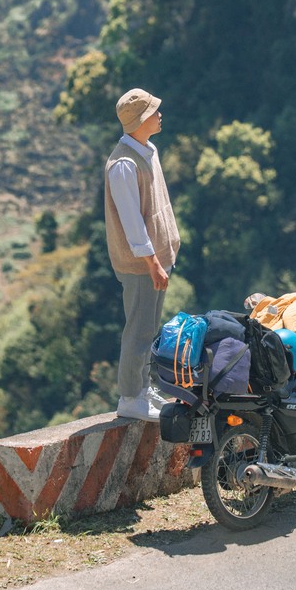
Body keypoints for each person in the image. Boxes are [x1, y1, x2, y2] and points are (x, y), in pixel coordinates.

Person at [105, 88, 180, 421]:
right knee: (138, 328)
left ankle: (143, 388)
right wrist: (151, 262)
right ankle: (130, 397)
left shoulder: (148, 150)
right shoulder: (123, 164)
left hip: (156, 261)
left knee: (150, 328)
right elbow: (132, 221)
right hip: (141, 265)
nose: (159, 114)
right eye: (153, 111)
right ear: (138, 121)